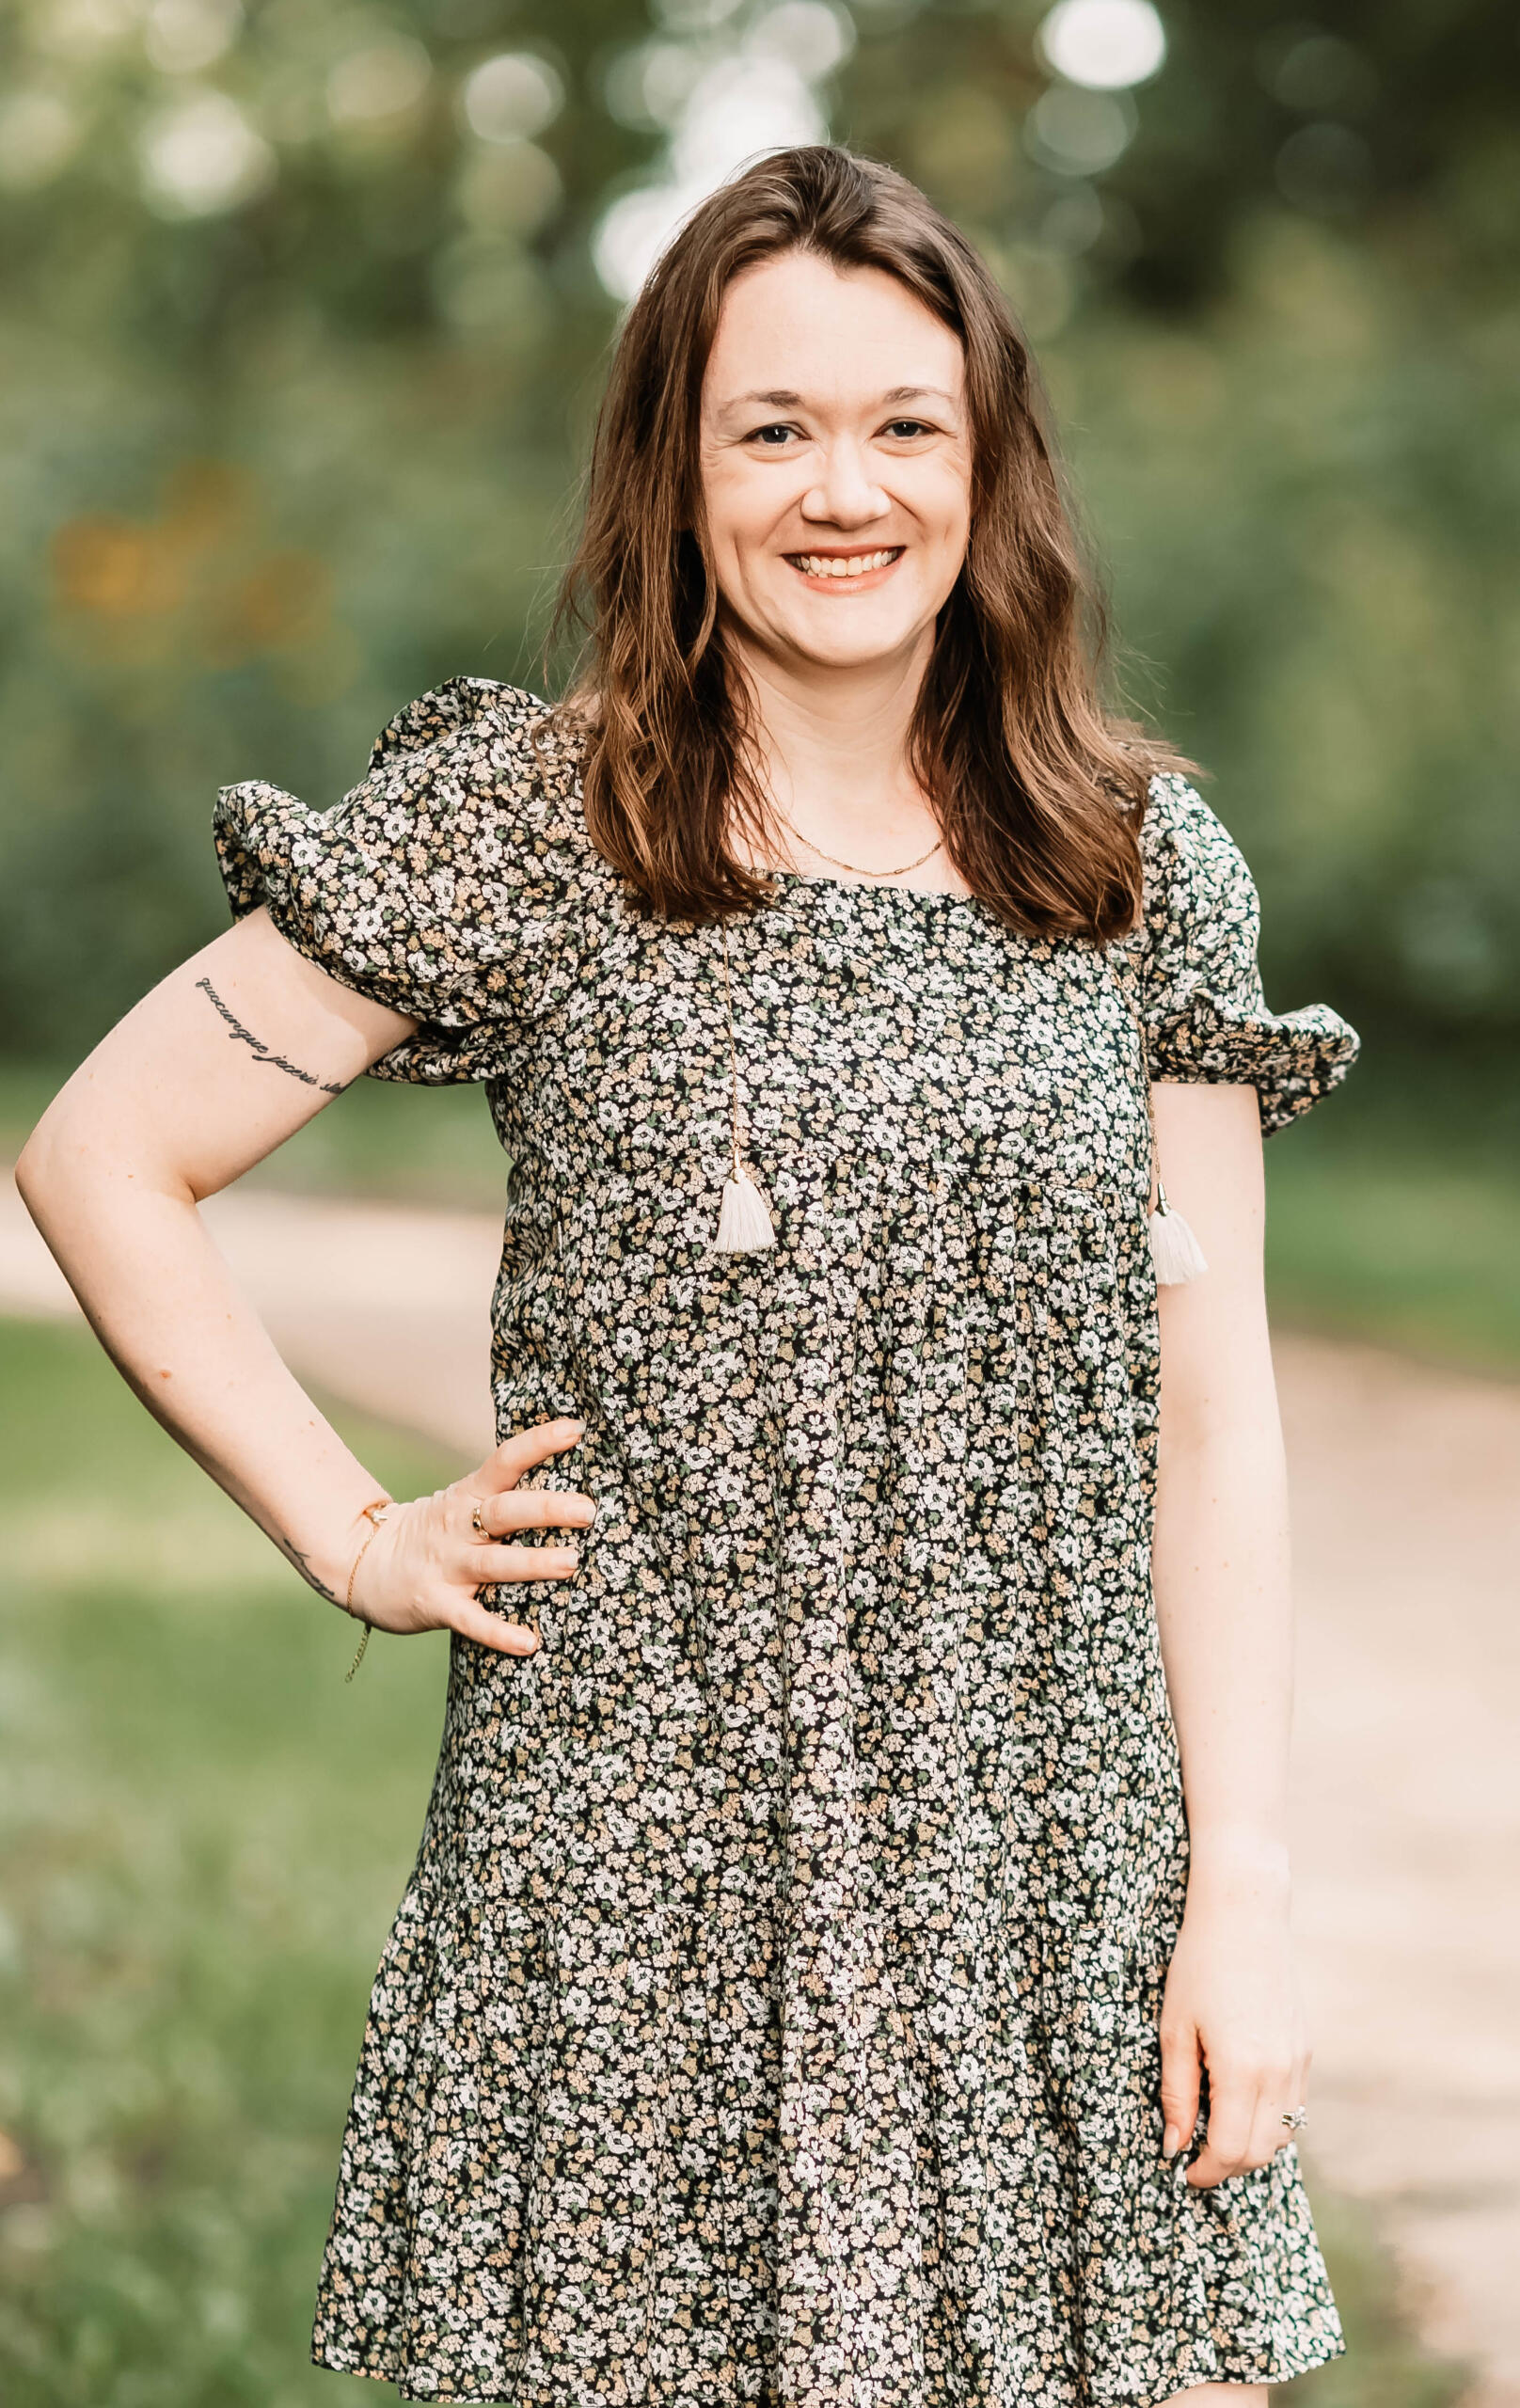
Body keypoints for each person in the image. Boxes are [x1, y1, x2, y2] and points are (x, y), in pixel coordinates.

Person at [18, 146, 1360, 2408]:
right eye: (774, 428)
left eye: (902, 425)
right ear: (677, 463)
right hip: (641, 1884)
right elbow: (102, 1153)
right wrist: (352, 1526)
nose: (844, 491)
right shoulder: (532, 829)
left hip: (1055, 1872)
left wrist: (1240, 1881)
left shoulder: (1134, 862)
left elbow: (1210, 1405)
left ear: (987, 462)